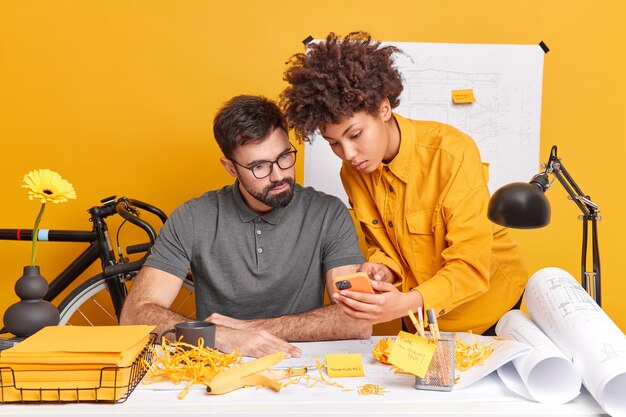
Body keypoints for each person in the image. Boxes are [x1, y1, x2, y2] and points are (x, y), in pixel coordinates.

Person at [280, 31, 528, 335]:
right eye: (334, 143)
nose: (348, 154)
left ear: (384, 109)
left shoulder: (452, 154)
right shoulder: (353, 171)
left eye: (355, 135)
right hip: (417, 315)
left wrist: (406, 303)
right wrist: (383, 268)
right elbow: (383, 242)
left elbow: (471, 267)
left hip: (488, 311)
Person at [120, 95, 371, 357]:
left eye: (284, 156)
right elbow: (134, 315)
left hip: (302, 364)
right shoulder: (192, 218)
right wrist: (216, 336)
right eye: (259, 166)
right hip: (218, 365)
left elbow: (358, 319)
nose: (278, 175)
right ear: (230, 168)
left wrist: (244, 330)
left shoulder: (328, 213)